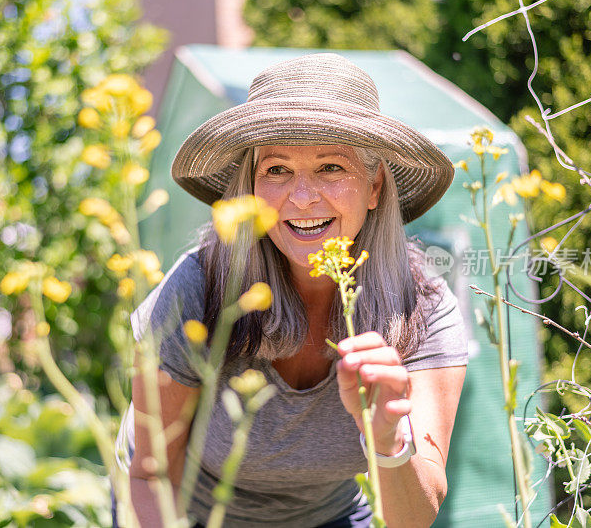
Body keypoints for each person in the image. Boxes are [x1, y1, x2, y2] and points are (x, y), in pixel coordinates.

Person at [124, 53, 468, 527]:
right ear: (249, 188)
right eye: (277, 170)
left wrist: (388, 440)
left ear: (375, 186)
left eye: (330, 167)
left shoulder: (422, 307)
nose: (302, 198)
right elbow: (150, 476)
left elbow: (414, 517)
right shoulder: (198, 291)